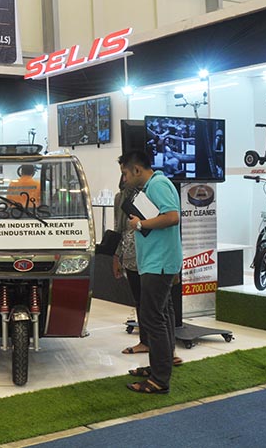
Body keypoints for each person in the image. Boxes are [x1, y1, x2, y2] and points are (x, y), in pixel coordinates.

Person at [120, 150, 182, 395]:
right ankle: (159, 367)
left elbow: (173, 217)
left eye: (125, 173)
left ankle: (159, 379)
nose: (124, 179)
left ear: (136, 169)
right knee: (160, 316)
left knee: (153, 319)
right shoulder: (151, 187)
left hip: (159, 263)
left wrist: (140, 224)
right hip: (155, 262)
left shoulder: (158, 185)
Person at [113, 173, 147, 355]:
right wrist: (116, 257)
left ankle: (164, 346)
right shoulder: (120, 198)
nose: (125, 179)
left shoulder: (149, 193)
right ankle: (145, 341)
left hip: (151, 254)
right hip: (131, 256)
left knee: (158, 303)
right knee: (140, 300)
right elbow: (118, 228)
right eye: (123, 174)